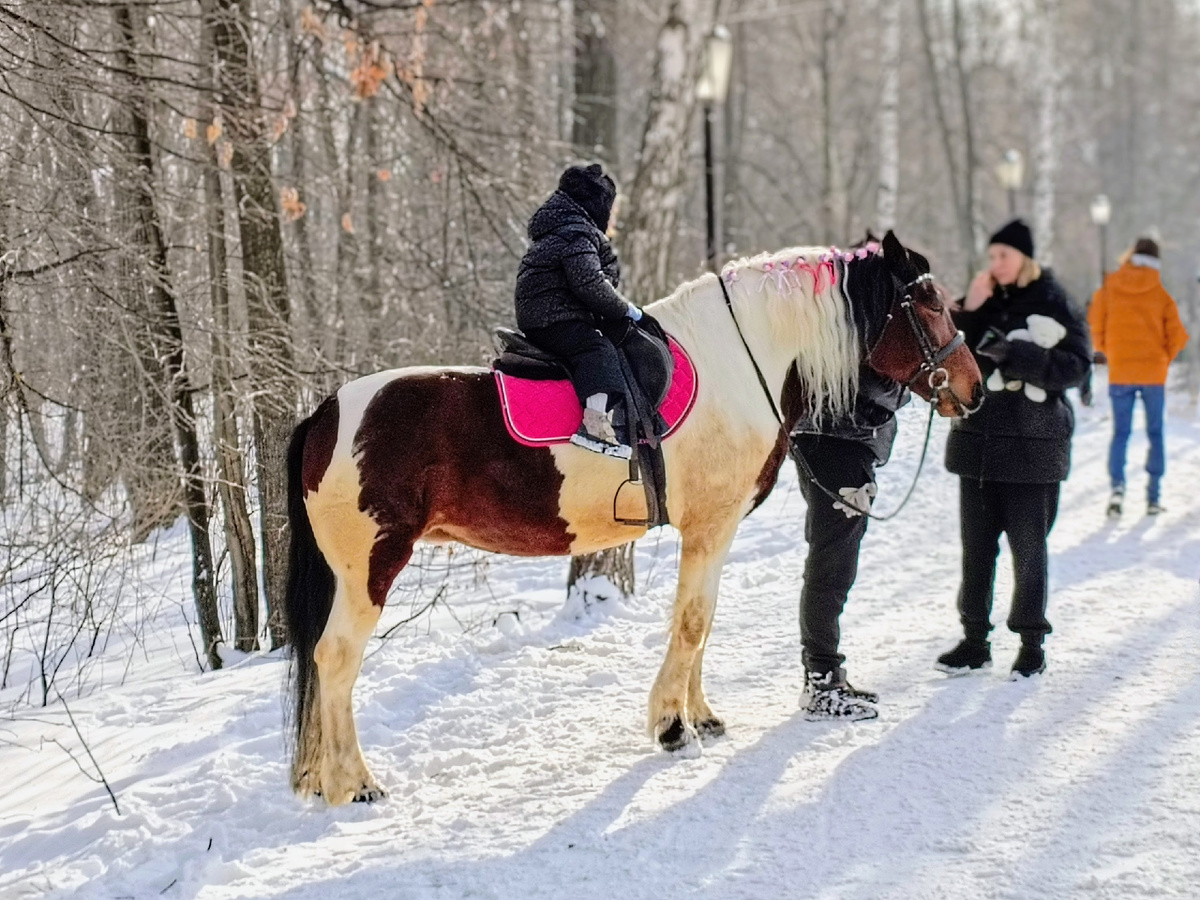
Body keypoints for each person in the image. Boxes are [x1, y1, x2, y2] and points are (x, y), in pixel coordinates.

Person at [935, 220, 1092, 679]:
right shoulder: (982, 299)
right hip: (979, 446)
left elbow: (1078, 365)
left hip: (1033, 451)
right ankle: (974, 641)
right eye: (992, 256)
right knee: (976, 551)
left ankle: (1031, 645)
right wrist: (969, 309)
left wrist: (1018, 356)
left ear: (1025, 257)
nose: (996, 264)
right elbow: (949, 357)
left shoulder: (1054, 300)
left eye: (1003, 255)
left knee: (1029, 552)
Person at [792, 367, 909, 720]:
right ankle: (821, 682)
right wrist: (904, 383)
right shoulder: (857, 336)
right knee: (832, 565)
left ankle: (824, 676)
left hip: (831, 438)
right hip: (840, 440)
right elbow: (870, 382)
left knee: (833, 561)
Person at [514, 163, 642, 460]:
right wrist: (627, 310)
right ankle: (595, 425)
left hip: (541, 314)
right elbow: (589, 283)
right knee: (596, 349)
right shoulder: (577, 233)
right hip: (554, 316)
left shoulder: (561, 229)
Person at [1087, 238, 1190, 517]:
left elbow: (1096, 325)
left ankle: (1117, 489)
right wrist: (1163, 359)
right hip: (1153, 374)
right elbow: (1178, 335)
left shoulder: (1110, 287)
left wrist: (1111, 352)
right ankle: (1153, 496)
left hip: (1121, 372)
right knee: (1155, 432)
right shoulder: (1160, 293)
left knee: (1121, 433)